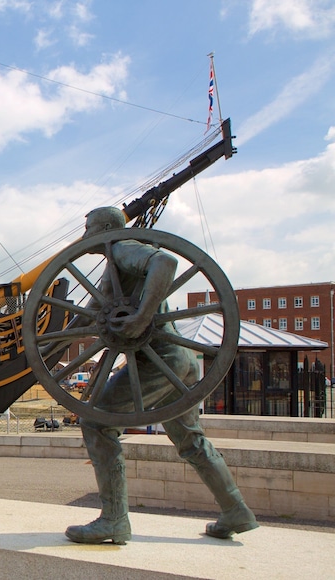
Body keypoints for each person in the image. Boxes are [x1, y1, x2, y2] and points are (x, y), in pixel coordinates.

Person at [65, 207, 258, 545]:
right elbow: (90, 316)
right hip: (176, 362)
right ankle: (235, 510)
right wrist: (41, 348)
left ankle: (114, 519)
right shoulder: (116, 267)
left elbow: (165, 263)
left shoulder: (123, 248)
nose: (86, 234)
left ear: (106, 228)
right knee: (191, 441)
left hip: (157, 361)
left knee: (96, 424)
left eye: (90, 227)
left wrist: (141, 316)